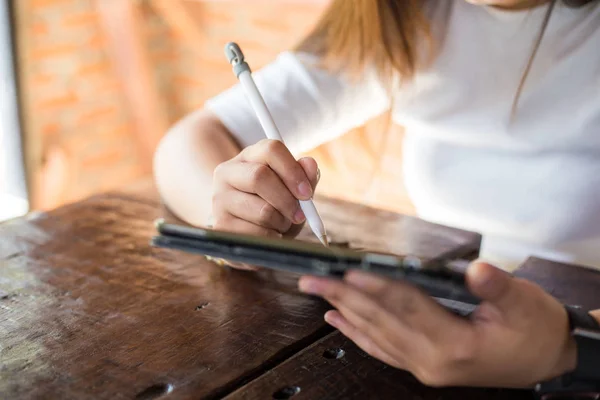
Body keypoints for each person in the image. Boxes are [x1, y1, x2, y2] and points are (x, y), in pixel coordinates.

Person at [153, 0, 600, 390]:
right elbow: (188, 143)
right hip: (452, 312)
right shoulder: (407, 12)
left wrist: (569, 348)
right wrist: (235, 222)